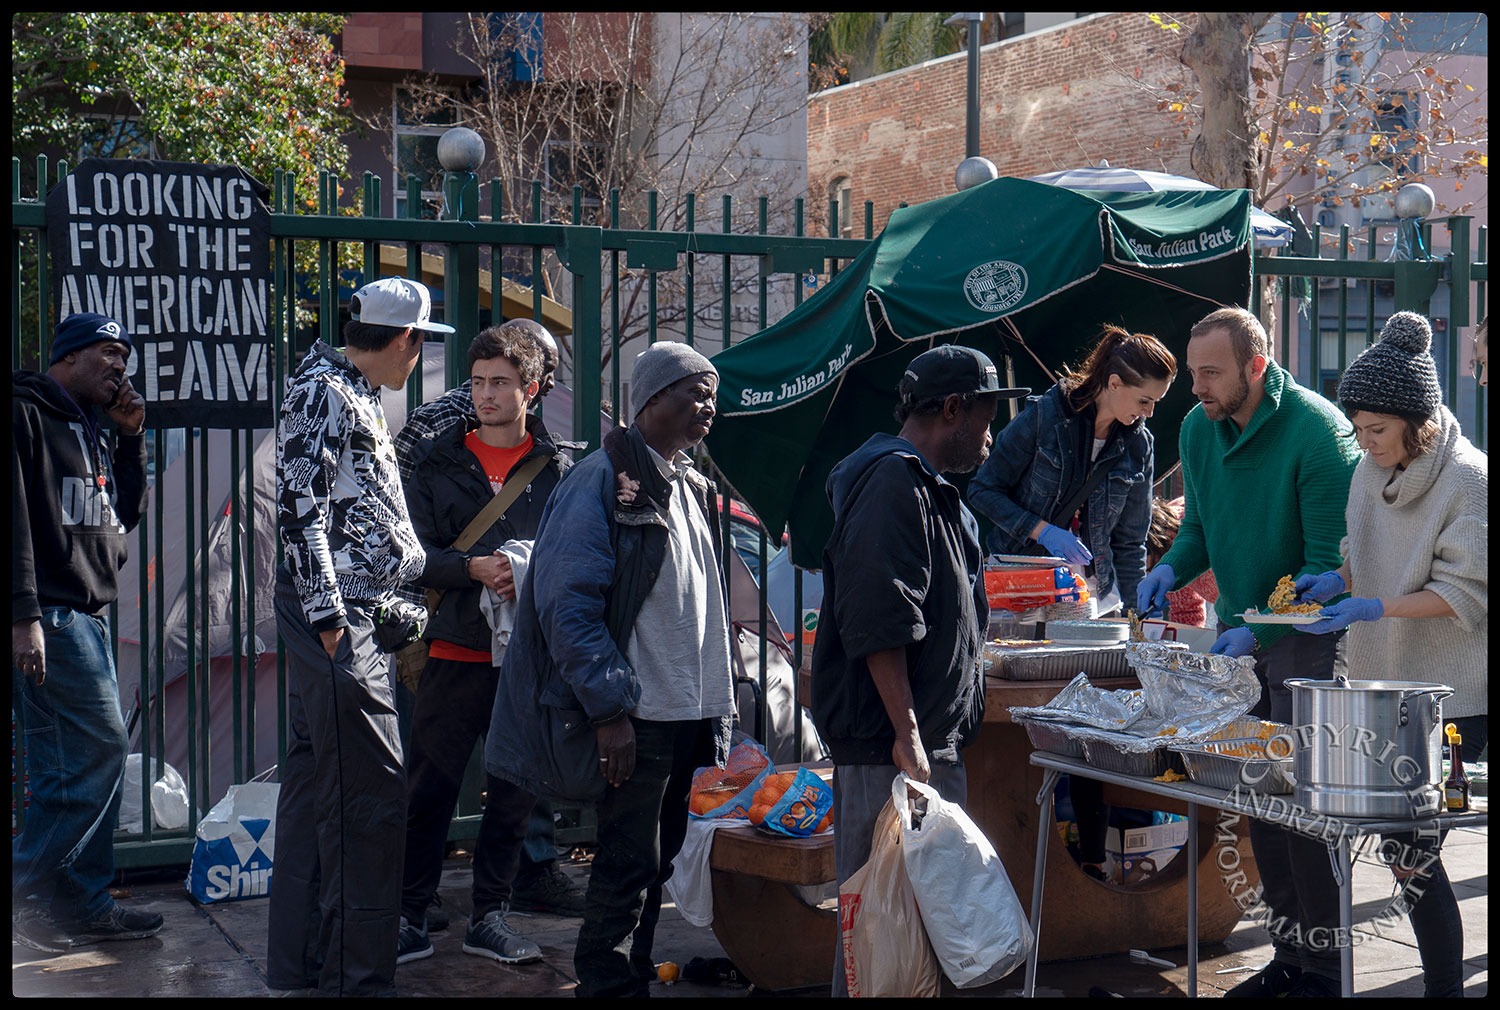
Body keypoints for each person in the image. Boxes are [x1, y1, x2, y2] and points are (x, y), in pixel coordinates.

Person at [484, 341, 735, 998]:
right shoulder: (599, 481)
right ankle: (608, 985)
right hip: (639, 714)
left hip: (686, 712)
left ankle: (634, 974)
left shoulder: (691, 485)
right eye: (696, 392)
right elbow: (568, 605)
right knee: (627, 866)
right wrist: (609, 710)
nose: (709, 405)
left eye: (711, 392)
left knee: (657, 865)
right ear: (652, 399)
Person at [1136, 306, 1361, 998]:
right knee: (1261, 803)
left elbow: (1329, 564)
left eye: (1211, 373)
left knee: (1308, 809)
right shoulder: (1198, 428)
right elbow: (1199, 527)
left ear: (1256, 369)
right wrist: (1171, 566)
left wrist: (1259, 633)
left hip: (1310, 645)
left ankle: (1326, 969)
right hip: (1247, 637)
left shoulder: (1319, 433)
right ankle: (1289, 958)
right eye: (1193, 370)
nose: (1195, 386)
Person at [811, 345, 1028, 997]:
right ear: (953, 409)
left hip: (923, 747)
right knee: (876, 932)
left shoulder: (931, 490)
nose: (992, 434)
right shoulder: (891, 482)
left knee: (918, 932)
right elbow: (880, 614)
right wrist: (906, 732)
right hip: (892, 751)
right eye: (987, 416)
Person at [1292, 311, 1487, 998]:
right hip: (1382, 688)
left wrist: (1378, 604)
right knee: (1407, 858)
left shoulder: (1469, 480)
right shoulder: (1367, 474)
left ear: (1416, 422)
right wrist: (1338, 581)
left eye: (1376, 430)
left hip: (1452, 697)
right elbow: (1361, 554)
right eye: (1359, 428)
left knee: (1419, 856)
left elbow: (1465, 594)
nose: (1364, 441)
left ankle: (1444, 989)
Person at [266, 277, 448, 997]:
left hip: (346, 616)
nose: (419, 359)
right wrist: (333, 622)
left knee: (320, 792)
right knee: (369, 803)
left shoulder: (344, 387)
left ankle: (302, 967)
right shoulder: (324, 390)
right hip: (340, 622)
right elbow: (298, 512)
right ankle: (359, 980)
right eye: (422, 344)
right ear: (403, 339)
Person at [392, 317, 587, 925]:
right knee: (428, 792)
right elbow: (414, 556)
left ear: (531, 390)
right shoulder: (437, 463)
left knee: (514, 798)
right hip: (453, 651)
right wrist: (473, 569)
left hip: (527, 659)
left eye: (499, 383)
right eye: (477, 382)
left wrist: (523, 568)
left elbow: (576, 560)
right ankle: (412, 908)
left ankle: (492, 914)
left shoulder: (561, 472)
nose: (484, 395)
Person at [12, 313, 157, 953]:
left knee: (74, 766)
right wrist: (23, 617)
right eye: (106, 352)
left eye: (125, 354)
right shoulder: (25, 414)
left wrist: (129, 440)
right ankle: (25, 895)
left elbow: (121, 513)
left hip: (88, 616)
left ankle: (83, 906)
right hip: (50, 614)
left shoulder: (93, 426)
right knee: (99, 752)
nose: (119, 364)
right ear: (67, 356)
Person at [970, 325, 1174, 617]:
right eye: (1144, 401)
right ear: (1114, 383)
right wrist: (1043, 531)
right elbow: (983, 490)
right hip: (1019, 589)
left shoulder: (1140, 445)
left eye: (1155, 402)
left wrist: (1136, 616)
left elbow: (1130, 544)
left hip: (1093, 599)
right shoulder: (1044, 416)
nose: (1150, 413)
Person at [1145, 497, 1218, 629]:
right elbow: (1187, 611)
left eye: (1150, 567)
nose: (1149, 573)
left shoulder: (1203, 523)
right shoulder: (1165, 558)